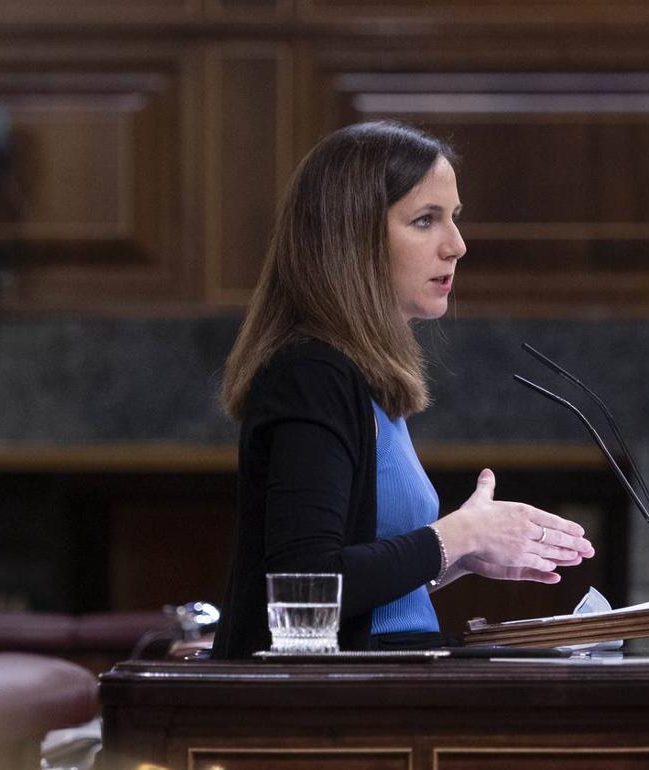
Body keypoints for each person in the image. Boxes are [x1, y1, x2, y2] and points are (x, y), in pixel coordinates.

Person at [210, 121, 595, 658]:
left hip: (392, 681)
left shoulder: (359, 377)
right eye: (425, 221)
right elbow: (304, 586)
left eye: (454, 220)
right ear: (352, 238)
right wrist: (456, 536)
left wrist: (460, 558)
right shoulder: (311, 375)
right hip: (341, 709)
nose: (456, 246)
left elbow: (357, 582)